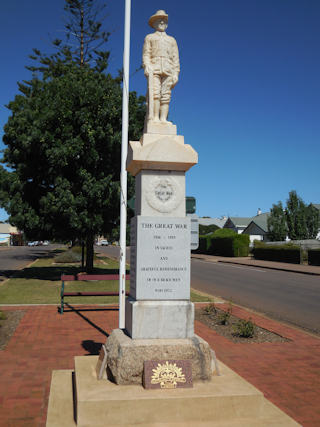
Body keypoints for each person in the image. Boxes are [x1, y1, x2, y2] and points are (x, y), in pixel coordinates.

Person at [143, 10, 180, 124]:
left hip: (168, 70)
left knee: (166, 95)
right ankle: (155, 118)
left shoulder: (172, 40)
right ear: (154, 23)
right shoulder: (149, 38)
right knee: (155, 94)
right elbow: (146, 54)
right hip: (154, 68)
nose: (162, 22)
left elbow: (175, 58)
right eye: (159, 20)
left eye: (164, 21)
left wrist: (176, 73)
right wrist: (147, 66)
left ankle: (163, 119)